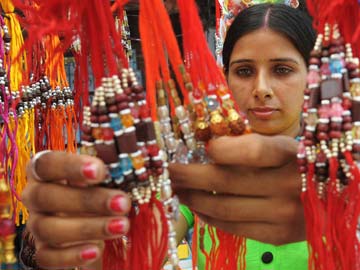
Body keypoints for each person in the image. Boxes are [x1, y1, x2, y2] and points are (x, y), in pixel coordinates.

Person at [20, 2, 316, 269]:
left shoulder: (345, 172)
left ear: (311, 77)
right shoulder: (198, 170)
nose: (261, 88)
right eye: (244, 71)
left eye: (281, 69)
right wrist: (92, 241)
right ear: (225, 77)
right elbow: (139, 257)